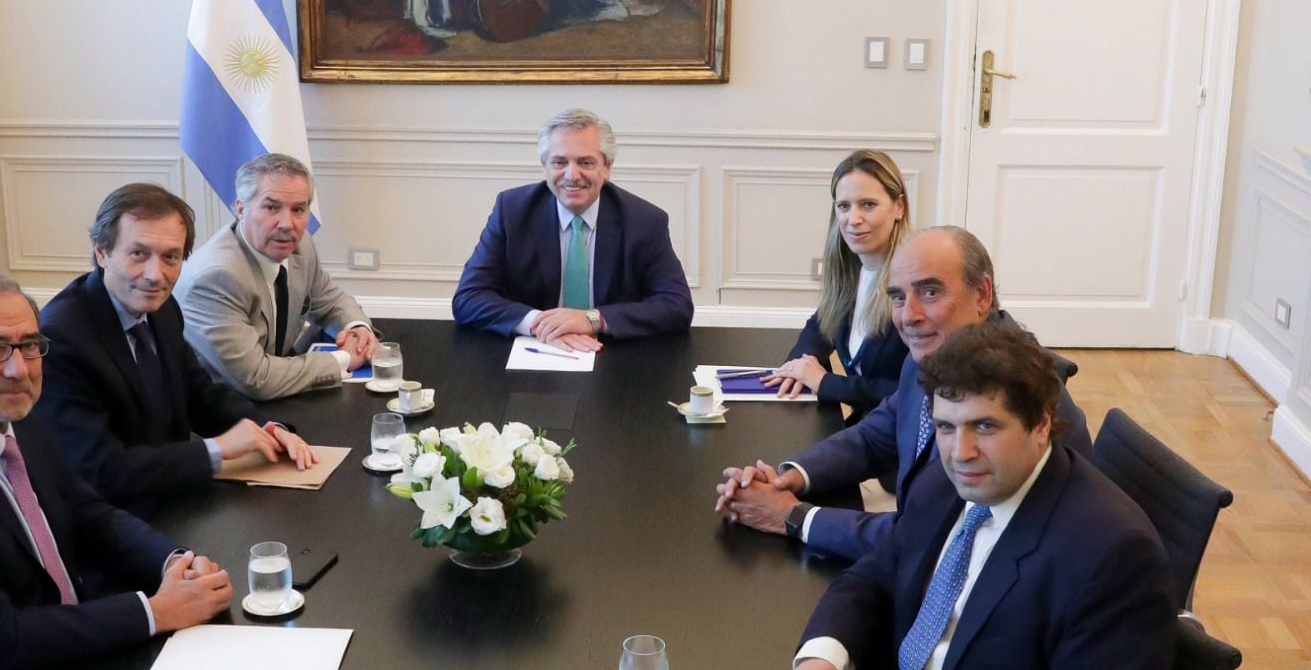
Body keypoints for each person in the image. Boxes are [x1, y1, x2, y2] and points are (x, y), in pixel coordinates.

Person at [0, 271, 234, 669]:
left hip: (59, 630)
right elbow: (0, 640)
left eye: (29, 345)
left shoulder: (15, 416)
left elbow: (88, 514)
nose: (19, 370)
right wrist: (156, 611)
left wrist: (173, 562)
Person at [793, 321, 1174, 670]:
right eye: (946, 426)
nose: (961, 452)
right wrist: (822, 656)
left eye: (985, 427)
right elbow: (878, 572)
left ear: (1041, 424)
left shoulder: (1113, 559)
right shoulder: (944, 481)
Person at [714, 225, 1093, 560]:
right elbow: (874, 437)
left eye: (929, 292)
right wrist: (788, 478)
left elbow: (928, 539)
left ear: (982, 294)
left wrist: (792, 515)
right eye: (897, 297)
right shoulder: (933, 356)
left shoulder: (1014, 396)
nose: (908, 316)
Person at [36, 183, 316, 518]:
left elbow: (200, 396)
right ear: (102, 252)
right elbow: (101, 469)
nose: (156, 275)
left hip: (175, 497)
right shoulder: (61, 337)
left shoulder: (162, 308)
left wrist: (268, 427)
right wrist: (217, 449)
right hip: (114, 519)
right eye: (139, 254)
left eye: (170, 257)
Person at [451, 108, 693, 351]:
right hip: (535, 348)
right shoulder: (512, 211)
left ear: (607, 167)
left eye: (585, 162)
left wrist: (593, 319)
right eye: (559, 162)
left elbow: (676, 305)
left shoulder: (644, 220)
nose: (572, 175)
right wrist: (541, 324)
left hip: (612, 352)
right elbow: (469, 297)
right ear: (544, 166)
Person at [174, 153, 377, 400]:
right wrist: (345, 358)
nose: (287, 224)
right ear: (240, 209)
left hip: (280, 390)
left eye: (298, 209)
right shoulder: (215, 278)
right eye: (272, 207)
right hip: (222, 406)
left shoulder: (300, 244)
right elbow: (257, 379)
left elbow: (329, 299)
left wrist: (357, 329)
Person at [765, 150, 911, 420]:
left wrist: (827, 383)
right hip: (866, 429)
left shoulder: (912, 286)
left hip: (897, 436)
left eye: (868, 205)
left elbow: (917, 395)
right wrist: (799, 364)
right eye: (844, 206)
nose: (853, 219)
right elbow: (821, 324)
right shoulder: (852, 271)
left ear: (899, 207)